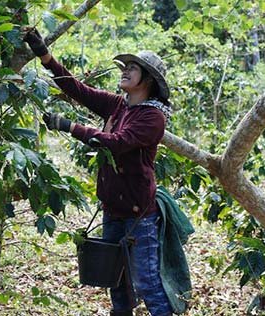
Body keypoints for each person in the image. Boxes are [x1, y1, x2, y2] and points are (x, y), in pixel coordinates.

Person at [23, 29, 185, 316]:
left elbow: (118, 143)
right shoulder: (119, 105)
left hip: (139, 215)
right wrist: (43, 53)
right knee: (116, 279)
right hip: (113, 208)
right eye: (125, 68)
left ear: (147, 80)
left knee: (147, 282)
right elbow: (77, 89)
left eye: (132, 69)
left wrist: (71, 127)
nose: (124, 72)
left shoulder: (152, 117)